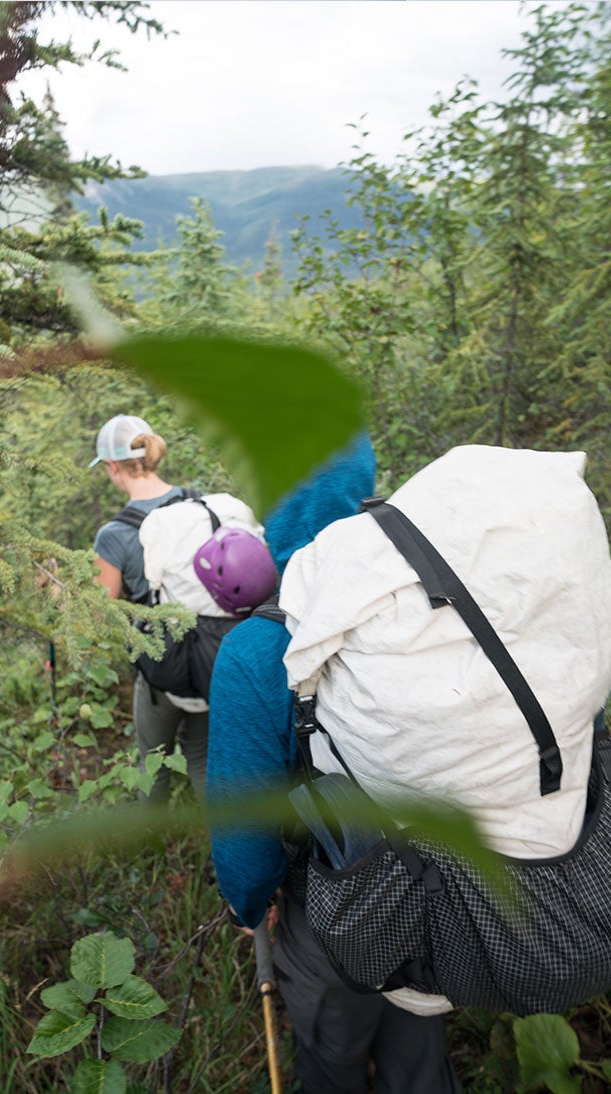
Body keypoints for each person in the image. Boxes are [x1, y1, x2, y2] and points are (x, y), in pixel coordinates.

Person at [206, 437, 461, 1093]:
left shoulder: (257, 647)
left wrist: (249, 902)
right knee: (420, 1055)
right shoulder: (432, 596)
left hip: (328, 901)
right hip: (441, 879)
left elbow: (246, 827)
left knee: (331, 1054)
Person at [89, 412, 209, 803]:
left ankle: (150, 845)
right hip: (211, 652)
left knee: (152, 762)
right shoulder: (200, 503)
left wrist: (56, 586)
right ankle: (226, 853)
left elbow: (97, 613)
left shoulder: (115, 535)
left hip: (160, 668)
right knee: (204, 758)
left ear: (112, 467)